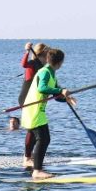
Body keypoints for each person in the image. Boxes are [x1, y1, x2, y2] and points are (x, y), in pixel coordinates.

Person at [21, 48, 73, 179]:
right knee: (43, 139)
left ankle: (34, 166)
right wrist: (61, 90)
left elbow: (55, 94)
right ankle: (37, 171)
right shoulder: (44, 72)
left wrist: (65, 97)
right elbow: (42, 88)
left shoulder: (51, 73)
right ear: (60, 62)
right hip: (34, 110)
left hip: (38, 111)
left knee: (43, 139)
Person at [19, 42, 49, 167]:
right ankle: (27, 158)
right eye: (47, 54)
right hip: (27, 100)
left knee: (32, 131)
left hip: (35, 100)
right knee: (32, 130)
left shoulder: (43, 67)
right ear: (41, 54)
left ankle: (28, 156)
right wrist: (27, 51)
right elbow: (23, 64)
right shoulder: (32, 64)